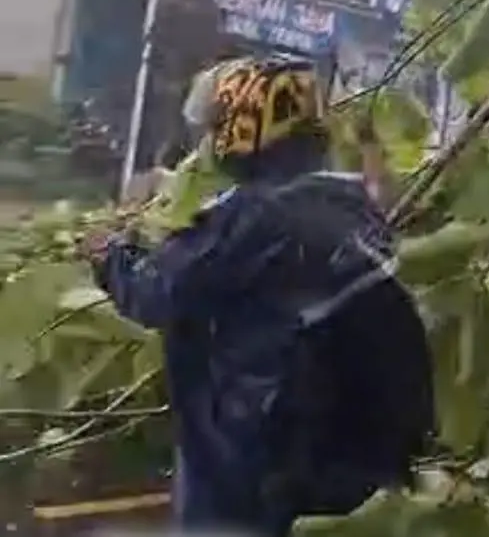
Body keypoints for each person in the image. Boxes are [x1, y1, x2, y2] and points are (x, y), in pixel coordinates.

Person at [79, 54, 435, 537]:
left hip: (255, 458)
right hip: (349, 455)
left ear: (248, 124)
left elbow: (155, 292)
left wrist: (109, 253)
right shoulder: (351, 203)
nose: (208, 142)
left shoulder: (252, 218)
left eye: (216, 126)